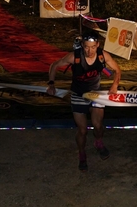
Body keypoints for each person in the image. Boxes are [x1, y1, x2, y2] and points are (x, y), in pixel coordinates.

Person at [46, 31, 121, 171]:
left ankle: (98, 142)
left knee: (98, 125)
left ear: (97, 45)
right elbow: (54, 65)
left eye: (93, 47)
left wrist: (115, 85)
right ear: (82, 45)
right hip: (78, 94)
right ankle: (82, 153)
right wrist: (51, 84)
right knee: (82, 130)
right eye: (86, 47)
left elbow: (117, 70)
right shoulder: (74, 56)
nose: (89, 51)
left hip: (96, 94)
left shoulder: (103, 55)